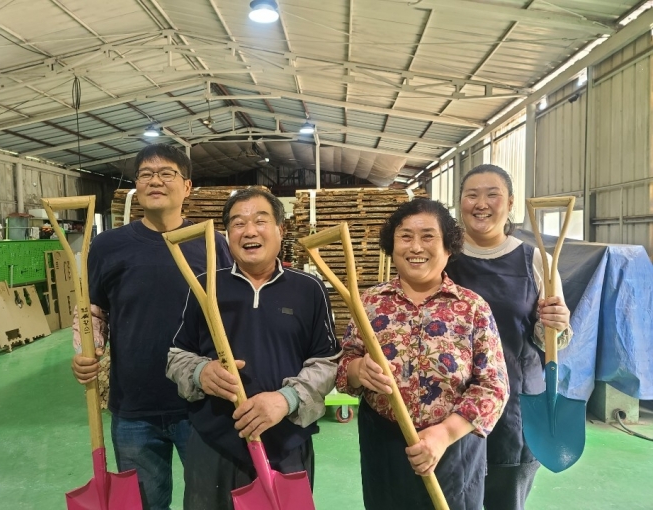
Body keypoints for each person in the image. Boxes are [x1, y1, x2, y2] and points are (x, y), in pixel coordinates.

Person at [71, 144, 232, 510]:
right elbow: (94, 311)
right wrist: (86, 351)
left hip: (202, 404)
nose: (154, 181)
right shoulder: (109, 246)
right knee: (144, 505)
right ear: (136, 186)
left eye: (166, 173)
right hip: (134, 407)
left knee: (211, 502)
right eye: (145, 174)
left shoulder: (210, 243)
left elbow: (231, 312)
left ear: (187, 186)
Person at [166, 187, 340, 510]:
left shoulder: (308, 290)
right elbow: (176, 356)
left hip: (286, 445)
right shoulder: (205, 285)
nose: (249, 231)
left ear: (280, 230)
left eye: (260, 220)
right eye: (237, 223)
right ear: (226, 234)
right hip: (215, 444)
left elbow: (328, 362)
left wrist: (286, 399)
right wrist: (201, 372)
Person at [336, 198, 509, 510]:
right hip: (385, 445)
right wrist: (356, 369)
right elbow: (344, 364)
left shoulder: (472, 308)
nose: (415, 247)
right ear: (392, 245)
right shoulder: (369, 304)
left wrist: (443, 435)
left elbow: (493, 387)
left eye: (428, 236)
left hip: (453, 447)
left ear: (448, 246)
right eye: (405, 236)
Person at [446, 164, 574, 510]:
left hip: (515, 408)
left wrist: (557, 324)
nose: (481, 203)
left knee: (506, 501)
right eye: (471, 195)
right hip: (451, 409)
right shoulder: (444, 258)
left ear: (511, 203)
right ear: (460, 203)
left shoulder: (535, 261)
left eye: (492, 194)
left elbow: (554, 341)